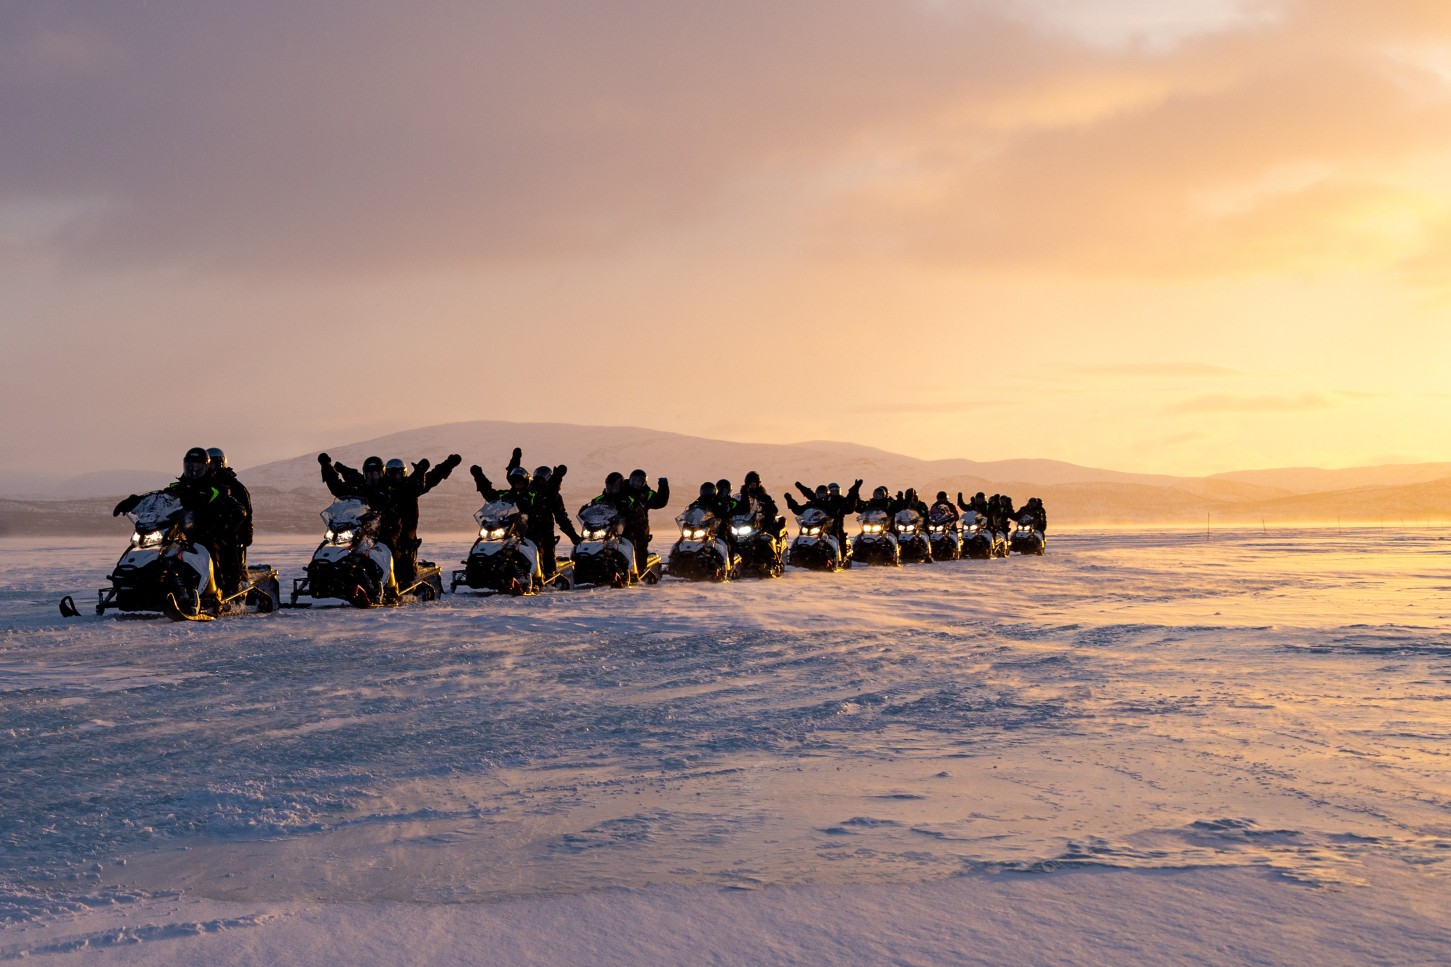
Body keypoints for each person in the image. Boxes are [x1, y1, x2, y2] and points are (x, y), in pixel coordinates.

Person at [114, 447, 244, 602]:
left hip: (207, 531)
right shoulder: (178, 488)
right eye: (189, 466)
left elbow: (233, 505)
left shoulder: (214, 489)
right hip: (182, 532)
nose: (193, 470)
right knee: (152, 549)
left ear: (205, 467)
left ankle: (225, 588)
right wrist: (135, 502)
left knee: (215, 548)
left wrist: (231, 511)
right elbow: (159, 498)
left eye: (197, 466)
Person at [206, 447, 253, 596]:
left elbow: (245, 511)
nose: (210, 467)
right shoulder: (199, 483)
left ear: (220, 463)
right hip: (204, 527)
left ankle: (233, 584)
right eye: (207, 464)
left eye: (213, 463)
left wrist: (245, 530)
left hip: (227, 529)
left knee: (227, 547)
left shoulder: (233, 486)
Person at [623, 468, 670, 574]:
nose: (636, 483)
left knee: (639, 546)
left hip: (639, 525)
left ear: (643, 482)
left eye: (639, 481)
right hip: (622, 524)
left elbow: (660, 502)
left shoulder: (647, 494)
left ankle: (641, 568)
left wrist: (663, 487)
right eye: (633, 480)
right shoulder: (624, 491)